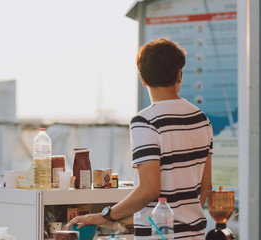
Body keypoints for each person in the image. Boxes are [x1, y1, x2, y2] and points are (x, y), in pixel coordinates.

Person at [66, 38, 213, 240]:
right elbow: (206, 186)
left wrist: (105, 216)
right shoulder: (201, 119)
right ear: (179, 74)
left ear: (142, 78)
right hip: (195, 234)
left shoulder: (145, 121)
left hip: (158, 235)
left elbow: (149, 189)